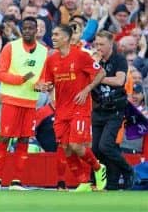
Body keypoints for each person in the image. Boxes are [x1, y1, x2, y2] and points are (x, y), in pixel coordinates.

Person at [43, 24, 107, 192]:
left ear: (66, 38)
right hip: (61, 110)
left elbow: (101, 73)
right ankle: (84, 181)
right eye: (52, 34)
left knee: (76, 145)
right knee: (65, 147)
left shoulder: (80, 56)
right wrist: (42, 87)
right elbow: (47, 83)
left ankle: (98, 168)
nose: (53, 37)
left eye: (56, 34)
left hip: (80, 107)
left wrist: (87, 90)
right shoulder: (51, 60)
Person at [0, 17, 48, 189]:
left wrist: (42, 85)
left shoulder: (43, 51)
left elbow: (44, 77)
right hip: (11, 100)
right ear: (21, 29)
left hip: (30, 102)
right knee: (5, 138)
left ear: (37, 30)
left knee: (24, 139)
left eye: (31, 28)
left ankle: (16, 180)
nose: (27, 31)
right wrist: (21, 79)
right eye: (24, 28)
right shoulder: (10, 47)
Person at [91, 30, 134, 190]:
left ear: (111, 44)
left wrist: (98, 78)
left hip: (115, 109)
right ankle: (111, 182)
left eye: (102, 44)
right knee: (96, 149)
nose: (99, 47)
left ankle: (127, 170)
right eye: (96, 44)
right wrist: (94, 66)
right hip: (98, 109)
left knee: (106, 146)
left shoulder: (119, 59)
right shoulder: (95, 61)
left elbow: (119, 80)